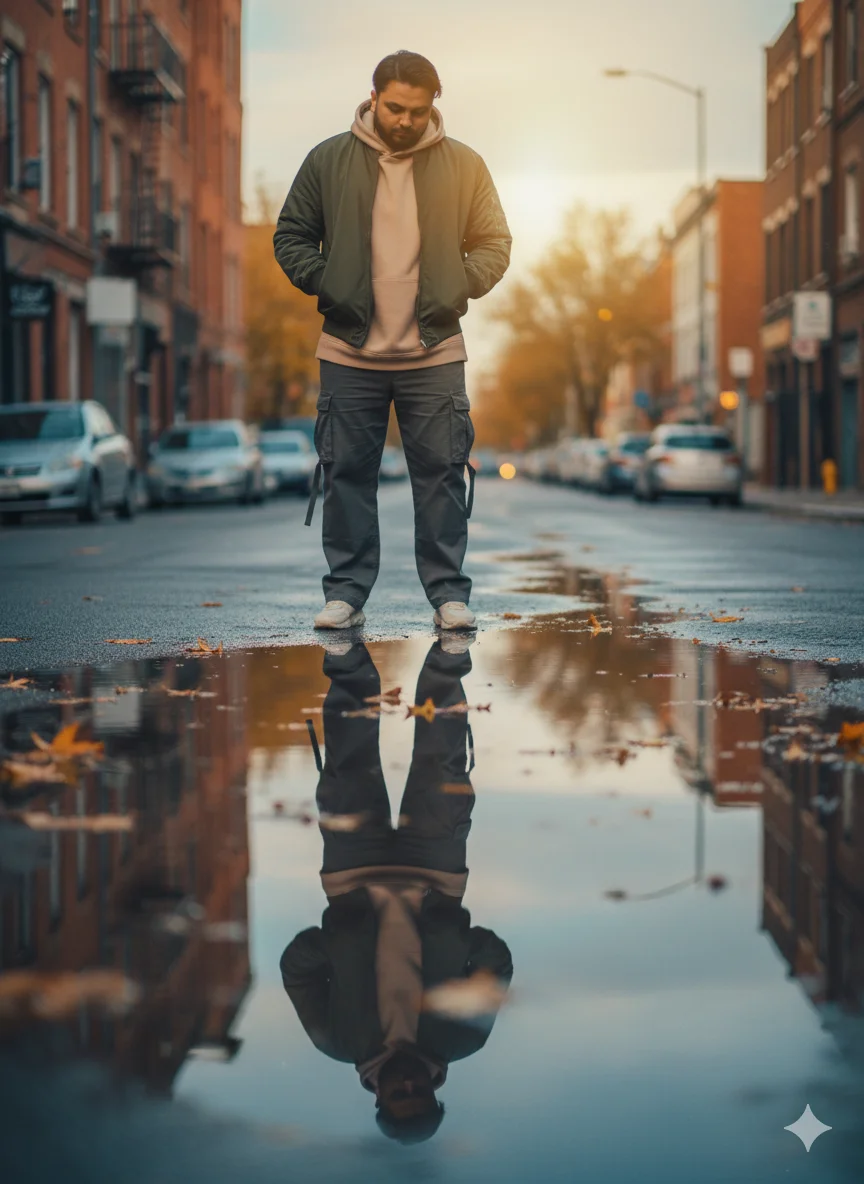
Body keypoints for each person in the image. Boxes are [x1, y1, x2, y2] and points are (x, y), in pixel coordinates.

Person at [273, 51, 511, 632]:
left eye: (417, 109)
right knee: (347, 474)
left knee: (442, 476)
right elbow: (291, 236)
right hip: (349, 350)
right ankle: (346, 595)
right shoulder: (328, 160)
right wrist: (330, 283)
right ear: (374, 97)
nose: (404, 120)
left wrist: (459, 286)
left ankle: (449, 597)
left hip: (434, 350)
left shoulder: (464, 164)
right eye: (395, 107)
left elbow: (494, 242)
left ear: (435, 103)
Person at [280, 641, 512, 1143]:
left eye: (398, 1096)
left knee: (347, 759)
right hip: (435, 875)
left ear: (379, 1099)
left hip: (352, 877)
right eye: (419, 1094)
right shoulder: (463, 1039)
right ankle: (449, 653)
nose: (407, 1084)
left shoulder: (336, 1042)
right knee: (444, 762)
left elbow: (296, 971)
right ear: (434, 1093)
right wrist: (455, 933)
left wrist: (338, 939)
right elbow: (498, 967)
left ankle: (345, 657)